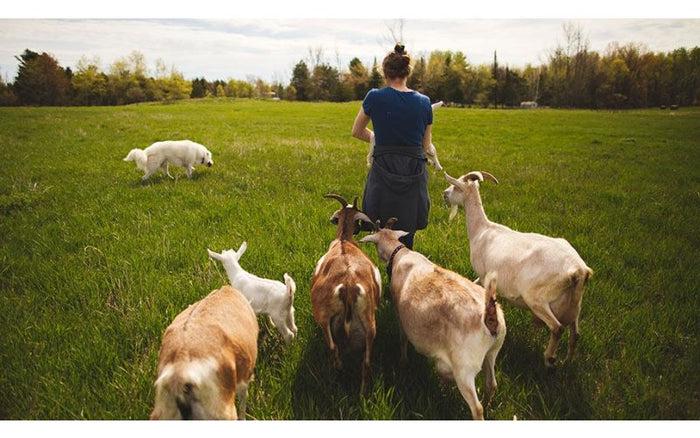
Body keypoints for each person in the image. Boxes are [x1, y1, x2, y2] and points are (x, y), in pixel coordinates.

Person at [351, 43, 433, 250]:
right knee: (406, 235)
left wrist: (376, 138)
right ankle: (403, 276)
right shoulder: (424, 102)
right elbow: (425, 146)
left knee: (381, 229)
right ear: (408, 72)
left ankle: (385, 274)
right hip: (413, 174)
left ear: (385, 72)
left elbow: (357, 131)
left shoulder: (375, 97)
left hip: (383, 172)